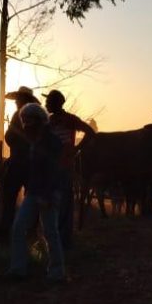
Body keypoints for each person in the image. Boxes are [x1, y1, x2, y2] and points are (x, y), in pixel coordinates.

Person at [7, 103, 65, 282]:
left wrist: (47, 196)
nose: (25, 124)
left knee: (50, 232)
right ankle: (18, 270)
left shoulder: (52, 142)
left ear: (39, 120)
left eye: (28, 120)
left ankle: (57, 273)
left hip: (48, 193)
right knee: (18, 228)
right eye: (23, 120)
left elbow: (54, 171)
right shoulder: (34, 141)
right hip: (33, 193)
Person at [43, 89, 96, 247]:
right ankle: (53, 237)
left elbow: (90, 132)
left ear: (56, 103)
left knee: (65, 202)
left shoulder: (70, 119)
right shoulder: (48, 122)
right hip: (50, 168)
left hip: (65, 167)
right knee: (51, 203)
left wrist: (76, 149)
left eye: (48, 101)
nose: (46, 104)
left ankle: (64, 239)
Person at [0, 86, 40, 237]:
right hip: (29, 163)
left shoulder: (20, 115)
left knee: (10, 195)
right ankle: (30, 231)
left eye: (18, 99)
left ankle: (7, 229)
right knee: (31, 197)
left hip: (21, 162)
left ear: (24, 99)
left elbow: (10, 137)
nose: (16, 102)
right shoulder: (38, 116)